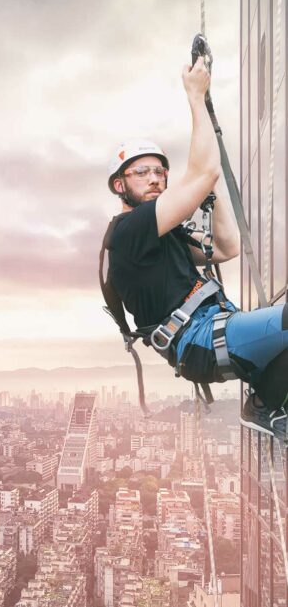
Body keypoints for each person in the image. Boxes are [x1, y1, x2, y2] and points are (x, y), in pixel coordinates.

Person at [104, 56, 288, 437]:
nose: (154, 179)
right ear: (119, 185)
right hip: (199, 340)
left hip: (213, 336)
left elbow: (226, 247)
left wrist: (210, 189)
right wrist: (195, 95)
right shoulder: (128, 231)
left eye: (159, 172)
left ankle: (266, 403)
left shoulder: (160, 236)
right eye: (141, 173)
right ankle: (263, 405)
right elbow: (202, 171)